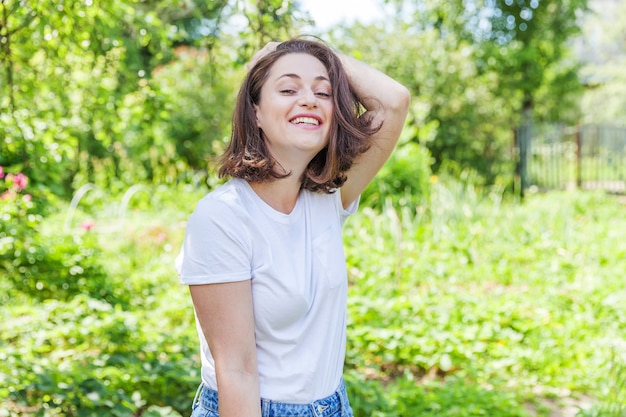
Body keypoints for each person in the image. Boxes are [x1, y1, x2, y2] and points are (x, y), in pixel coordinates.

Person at [176, 38, 410, 417]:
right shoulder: (222, 217)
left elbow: (393, 101)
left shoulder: (327, 196)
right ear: (255, 113)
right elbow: (236, 371)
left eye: (323, 92)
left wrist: (308, 46)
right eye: (287, 89)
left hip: (333, 405)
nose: (309, 100)